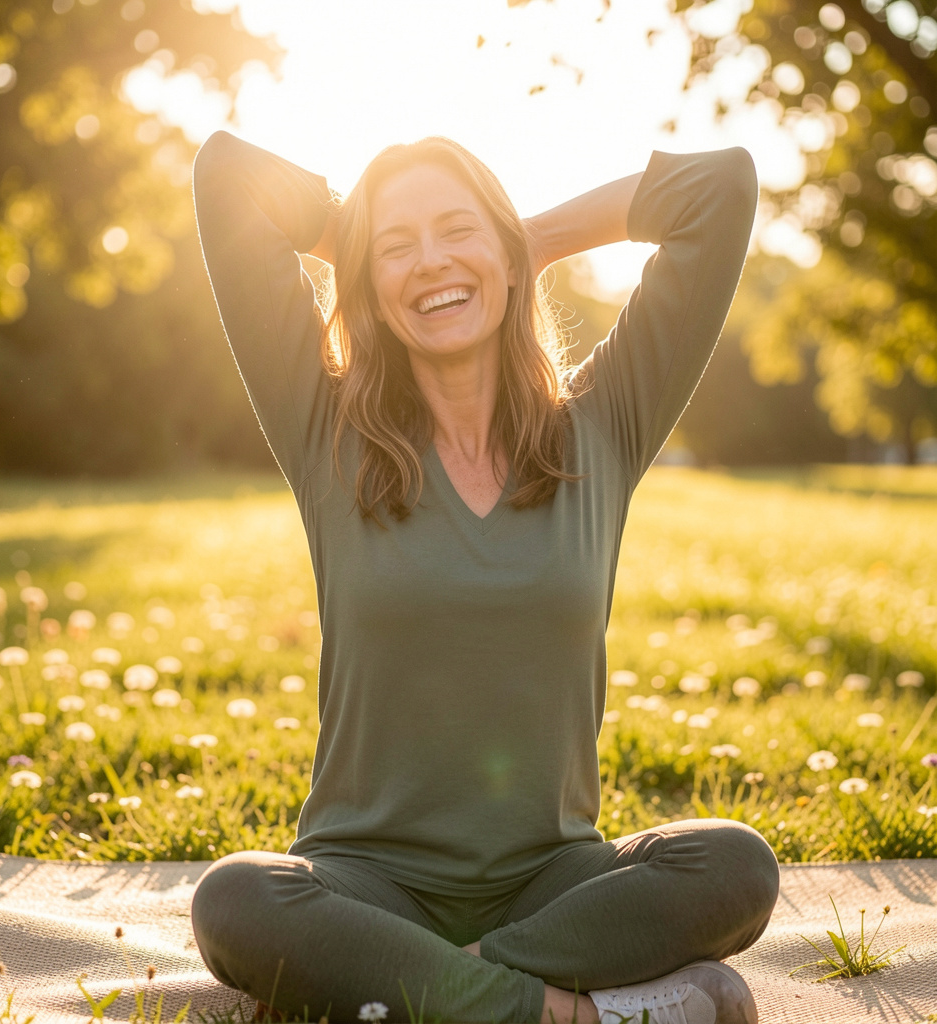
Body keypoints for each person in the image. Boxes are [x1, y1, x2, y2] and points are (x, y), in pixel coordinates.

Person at [188, 126, 780, 1024]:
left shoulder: (603, 425)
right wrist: (391, 250)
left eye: (458, 231)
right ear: (370, 291)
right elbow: (228, 176)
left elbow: (720, 187)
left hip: (551, 880)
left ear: (507, 259)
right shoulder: (326, 430)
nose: (430, 262)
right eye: (397, 246)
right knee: (237, 901)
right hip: (366, 877)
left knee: (736, 866)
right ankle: (571, 1015)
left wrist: (526, 240)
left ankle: (412, 988)